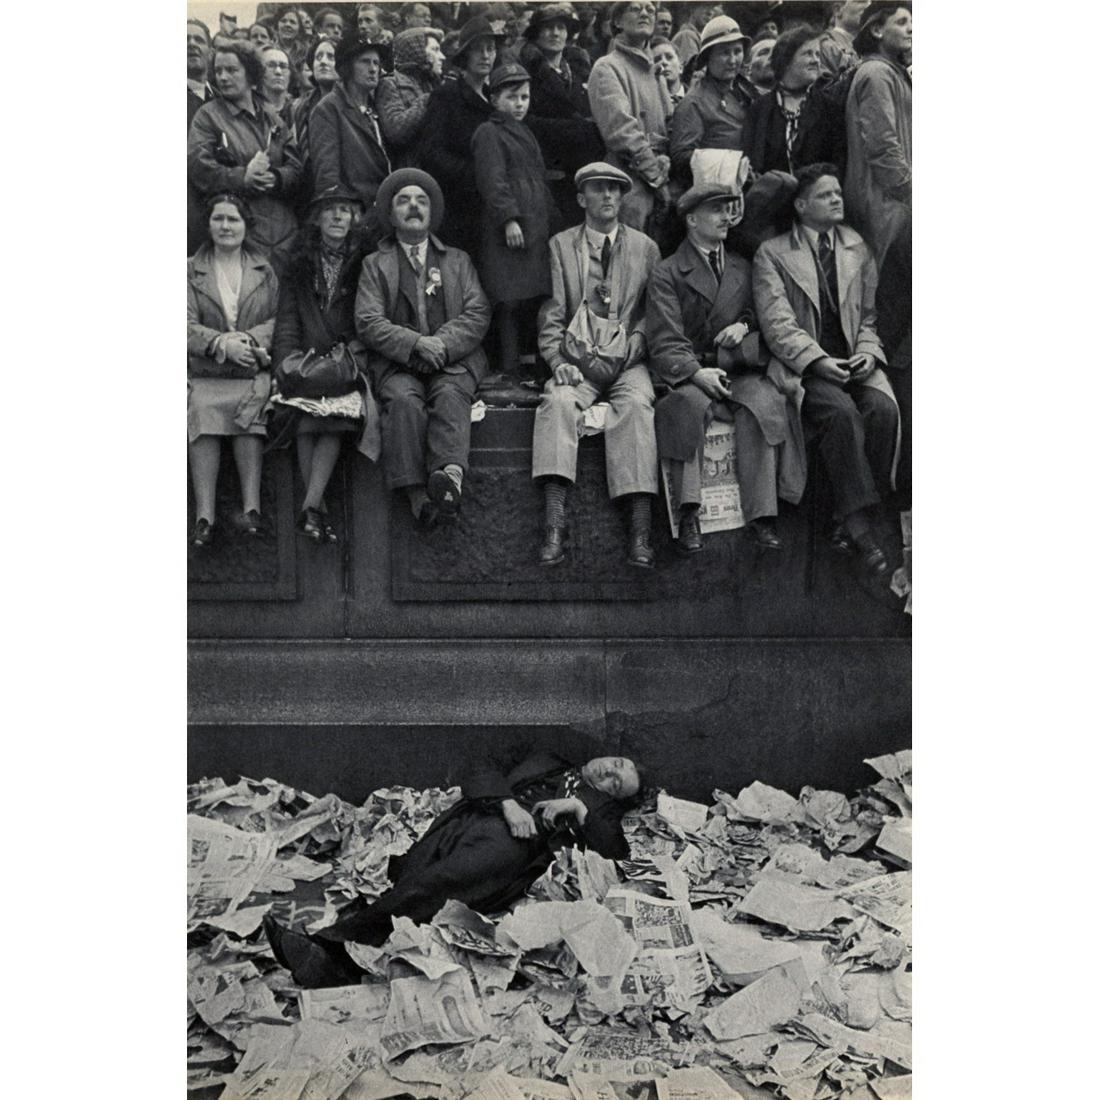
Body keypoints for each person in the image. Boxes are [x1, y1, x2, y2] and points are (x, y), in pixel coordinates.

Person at [263, 751, 644, 987]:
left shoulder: (596, 809)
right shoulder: (549, 756)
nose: (609, 775)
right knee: (417, 886)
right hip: (471, 819)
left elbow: (614, 851)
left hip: (513, 845)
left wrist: (578, 808)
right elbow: (480, 763)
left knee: (440, 882)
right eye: (617, 765)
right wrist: (507, 803)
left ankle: (331, 946)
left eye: (616, 784)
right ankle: (344, 966)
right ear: (611, 754)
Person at [753, 163, 899, 576]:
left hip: (853, 361)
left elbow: (869, 317)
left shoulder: (857, 247)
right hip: (805, 368)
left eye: (837, 192)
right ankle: (861, 530)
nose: (837, 199)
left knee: (883, 410)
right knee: (841, 413)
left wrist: (867, 353)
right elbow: (777, 325)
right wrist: (818, 360)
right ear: (801, 206)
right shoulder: (772, 253)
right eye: (825, 195)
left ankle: (843, 518)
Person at [647, 183, 804, 554]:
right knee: (686, 408)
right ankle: (689, 512)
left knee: (764, 402)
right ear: (691, 220)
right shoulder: (667, 272)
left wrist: (744, 326)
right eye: (716, 210)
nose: (726, 217)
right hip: (691, 372)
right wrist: (695, 373)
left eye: (728, 209)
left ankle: (762, 515)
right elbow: (665, 338)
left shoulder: (742, 267)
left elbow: (759, 314)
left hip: (736, 369)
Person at [533, 162, 661, 568]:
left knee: (637, 406)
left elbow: (654, 312)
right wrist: (557, 361)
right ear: (580, 199)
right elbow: (551, 314)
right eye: (598, 189)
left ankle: (640, 531)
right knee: (556, 402)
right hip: (578, 359)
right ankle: (554, 524)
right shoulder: (561, 246)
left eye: (615, 189)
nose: (608, 195)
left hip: (627, 361)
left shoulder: (645, 248)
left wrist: (636, 344)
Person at [355, 169, 491, 525]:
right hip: (398, 363)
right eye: (404, 201)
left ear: (432, 212)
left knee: (450, 395)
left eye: (421, 201)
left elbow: (477, 312)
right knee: (402, 401)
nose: (413, 206)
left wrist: (441, 345)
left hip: (452, 360)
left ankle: (450, 479)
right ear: (391, 214)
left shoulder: (457, 260)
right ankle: (418, 496)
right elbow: (367, 320)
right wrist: (415, 343)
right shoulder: (375, 264)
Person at [270, 188, 379, 544]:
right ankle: (314, 511)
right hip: (304, 360)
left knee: (335, 416)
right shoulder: (299, 264)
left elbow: (369, 316)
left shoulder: (366, 260)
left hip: (347, 360)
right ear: (317, 219)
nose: (337, 216)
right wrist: (284, 365)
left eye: (344, 211)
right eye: (329, 210)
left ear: (354, 219)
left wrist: (353, 353)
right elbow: (288, 321)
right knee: (303, 416)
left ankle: (311, 507)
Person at [188, 193, 279, 548]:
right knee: (201, 408)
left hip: (249, 370)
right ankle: (204, 517)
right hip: (206, 371)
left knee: (250, 409)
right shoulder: (189, 269)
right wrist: (220, 344)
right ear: (209, 225)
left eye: (233, 219)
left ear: (245, 226)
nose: (226, 226)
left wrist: (249, 340)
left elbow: (278, 318)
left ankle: (252, 509)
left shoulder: (264, 270)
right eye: (219, 219)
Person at [188, 40, 304, 276]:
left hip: (284, 234)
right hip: (238, 235)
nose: (223, 77)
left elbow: (296, 165)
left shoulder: (271, 117)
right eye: (218, 70)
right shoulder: (208, 116)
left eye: (232, 70)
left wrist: (277, 178)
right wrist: (242, 178)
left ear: (251, 73)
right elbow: (198, 167)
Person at [472, 63, 556, 379]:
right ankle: (508, 369)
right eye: (511, 97)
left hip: (534, 227)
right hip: (507, 232)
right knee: (508, 299)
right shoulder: (489, 132)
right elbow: (492, 181)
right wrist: (508, 219)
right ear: (494, 99)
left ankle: (531, 368)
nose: (520, 104)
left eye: (524, 97)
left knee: (531, 297)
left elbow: (538, 180)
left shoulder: (526, 133)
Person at [419, 14, 508, 256]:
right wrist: (475, 174)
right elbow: (431, 152)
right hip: (459, 208)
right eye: (478, 49)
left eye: (490, 49)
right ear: (465, 55)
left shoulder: (495, 99)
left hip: (492, 207)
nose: (486, 55)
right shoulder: (446, 96)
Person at [587, 2, 672, 235]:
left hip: (662, 176)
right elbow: (622, 133)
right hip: (627, 182)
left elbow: (670, 122)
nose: (645, 13)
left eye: (650, 10)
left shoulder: (655, 72)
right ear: (617, 21)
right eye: (635, 9)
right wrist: (656, 177)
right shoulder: (607, 68)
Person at [843, 2, 911, 269]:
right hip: (886, 203)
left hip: (894, 202)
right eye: (902, 22)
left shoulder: (892, 72)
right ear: (877, 30)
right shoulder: (876, 73)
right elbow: (882, 146)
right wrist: (909, 191)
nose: (911, 29)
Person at [309, 35, 392, 236]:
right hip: (356, 220)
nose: (373, 69)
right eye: (365, 62)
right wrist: (350, 218)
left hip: (384, 214)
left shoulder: (378, 106)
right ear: (347, 67)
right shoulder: (328, 109)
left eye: (376, 63)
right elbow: (327, 177)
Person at [669, 15, 755, 185]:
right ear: (707, 57)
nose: (732, 60)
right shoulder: (694, 102)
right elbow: (681, 156)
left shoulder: (746, 92)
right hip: (716, 190)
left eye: (737, 51)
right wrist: (732, 166)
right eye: (724, 53)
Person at [743, 24, 833, 176]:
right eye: (808, 54)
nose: (815, 60)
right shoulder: (759, 110)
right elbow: (752, 164)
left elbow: (838, 162)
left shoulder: (829, 108)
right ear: (786, 60)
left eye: (818, 55)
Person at [375, 25, 446, 168]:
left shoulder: (434, 84)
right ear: (416, 52)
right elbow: (396, 131)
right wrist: (429, 99)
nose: (442, 57)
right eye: (435, 50)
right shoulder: (389, 84)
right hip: (412, 174)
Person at [291, 36, 340, 177]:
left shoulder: (352, 102)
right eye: (318, 57)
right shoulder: (299, 108)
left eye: (331, 57)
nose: (323, 62)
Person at [187, 19, 216, 256]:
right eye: (185, 39)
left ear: (211, 51)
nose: (191, 44)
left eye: (198, 39)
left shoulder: (223, 99)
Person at [818, 0, 869, 77]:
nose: (869, 5)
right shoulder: (825, 46)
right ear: (837, 10)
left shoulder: (876, 45)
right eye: (861, 1)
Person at [671, 2, 723, 67]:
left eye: (712, 7)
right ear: (692, 8)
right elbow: (692, 70)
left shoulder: (699, 36)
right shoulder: (687, 35)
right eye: (705, 6)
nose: (710, 12)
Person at [258, 45, 295, 127]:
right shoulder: (252, 111)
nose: (278, 71)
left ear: (290, 73)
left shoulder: (300, 111)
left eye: (283, 66)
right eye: (271, 65)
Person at [650, 36, 687, 107]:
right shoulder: (649, 103)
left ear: (681, 67)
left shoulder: (696, 97)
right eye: (657, 60)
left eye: (669, 57)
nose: (664, 62)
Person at [271, 4, 309, 71]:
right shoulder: (270, 48)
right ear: (277, 25)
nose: (287, 24)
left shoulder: (306, 51)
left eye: (292, 22)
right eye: (283, 21)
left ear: (299, 28)